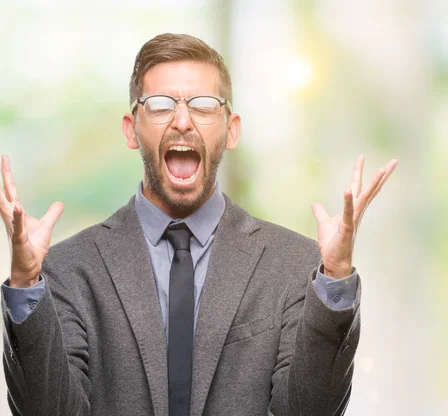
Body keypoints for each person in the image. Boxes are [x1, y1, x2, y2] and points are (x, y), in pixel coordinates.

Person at [0, 33, 397, 416]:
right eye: (160, 105)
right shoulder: (70, 269)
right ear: (131, 129)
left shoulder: (296, 265)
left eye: (204, 105)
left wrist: (336, 277)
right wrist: (24, 282)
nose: (183, 121)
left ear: (232, 129)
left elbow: (310, 411)